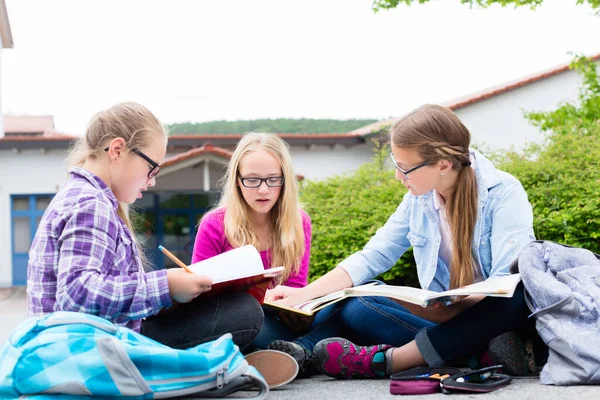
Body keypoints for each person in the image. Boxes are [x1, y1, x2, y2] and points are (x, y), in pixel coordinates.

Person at [26, 103, 296, 388]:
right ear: (117, 150)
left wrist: (167, 294)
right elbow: (77, 295)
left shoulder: (87, 198)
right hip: (83, 355)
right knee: (243, 313)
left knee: (234, 308)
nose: (151, 181)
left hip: (88, 345)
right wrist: (164, 285)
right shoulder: (89, 205)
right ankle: (202, 373)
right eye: (151, 168)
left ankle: (202, 370)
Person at [266, 104, 538, 379]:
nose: (398, 176)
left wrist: (455, 308)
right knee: (359, 303)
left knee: (517, 297)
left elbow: (505, 282)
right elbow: (372, 256)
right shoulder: (418, 200)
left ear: (443, 164)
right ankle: (476, 354)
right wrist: (303, 295)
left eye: (405, 168)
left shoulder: (504, 193)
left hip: (488, 315)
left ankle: (390, 360)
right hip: (444, 320)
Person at [191, 132, 314, 351]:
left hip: (282, 320)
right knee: (250, 319)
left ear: (284, 180)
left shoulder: (299, 222)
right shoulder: (214, 224)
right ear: (238, 181)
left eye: (273, 179)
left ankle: (297, 351)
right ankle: (302, 349)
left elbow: (296, 287)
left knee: (345, 311)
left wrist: (294, 304)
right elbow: (199, 296)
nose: (263, 189)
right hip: (237, 322)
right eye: (252, 180)